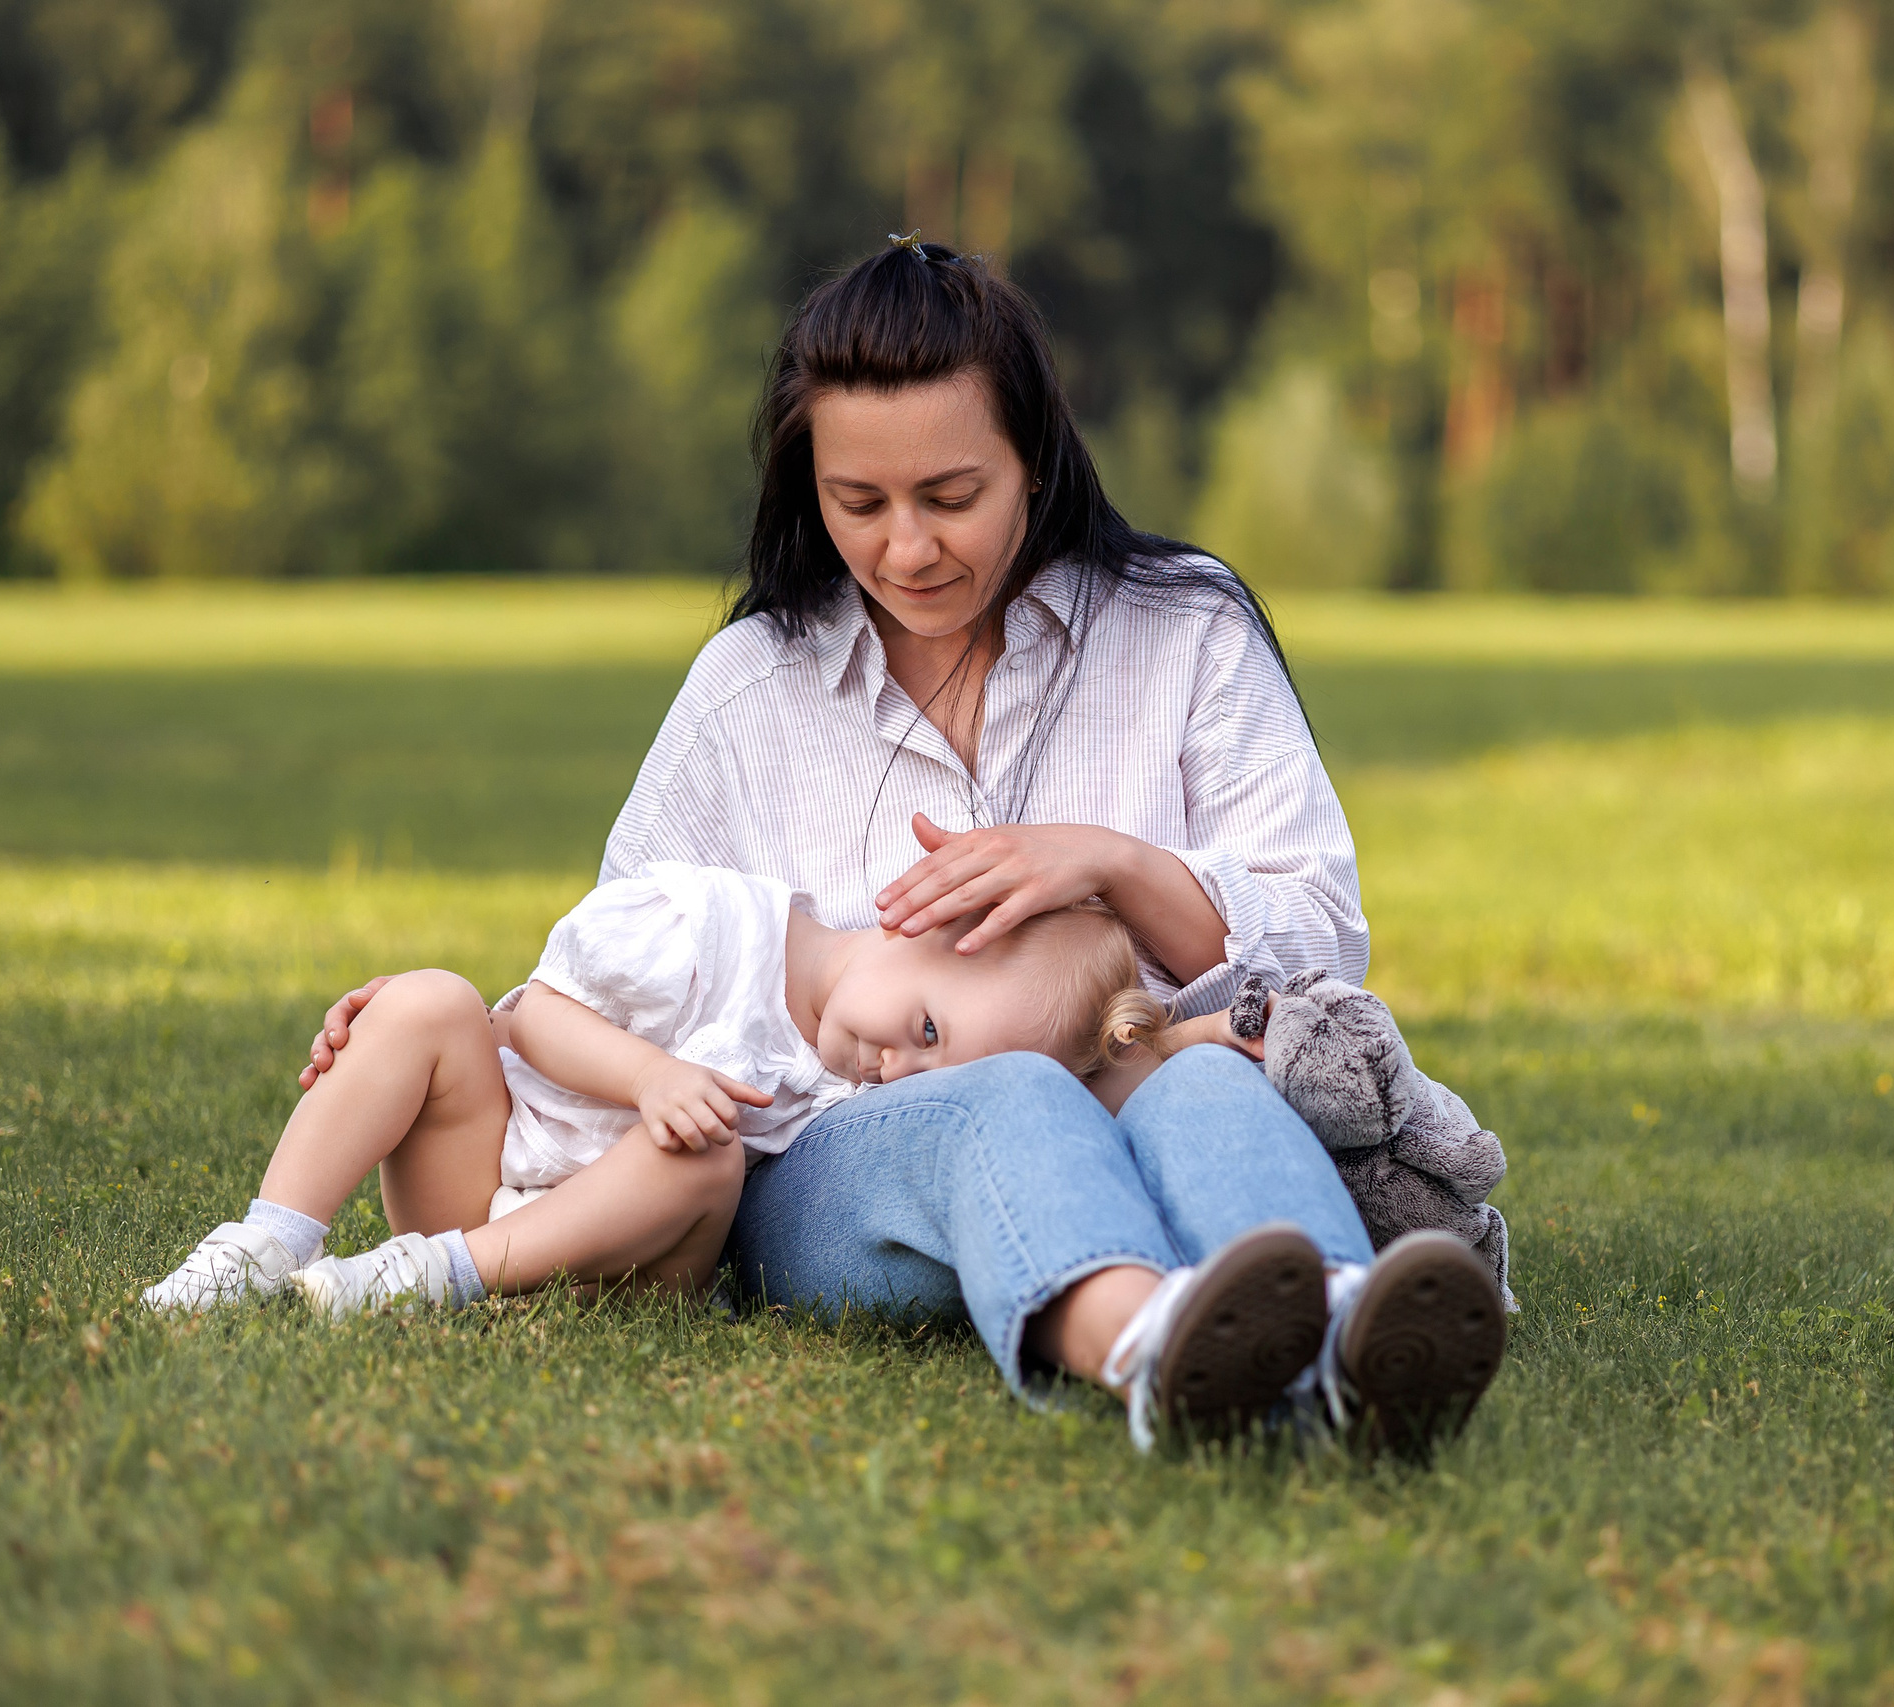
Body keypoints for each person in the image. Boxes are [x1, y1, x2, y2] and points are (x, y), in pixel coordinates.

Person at [300, 236, 1505, 1452]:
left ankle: (1346, 1331)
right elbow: (627, 967)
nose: (907, 550)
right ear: (807, 485)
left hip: (1140, 1086)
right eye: (859, 504)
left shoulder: (1183, 630)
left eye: (951, 496)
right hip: (830, 1170)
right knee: (1009, 1094)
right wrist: (431, 1031)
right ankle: (1148, 1351)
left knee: (1204, 1082)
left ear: (1035, 460)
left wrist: (1116, 866)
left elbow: (1321, 952)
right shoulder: (751, 687)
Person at [143, 862, 1163, 1318]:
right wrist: (650, 1075)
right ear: (923, 919)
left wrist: (1182, 1030)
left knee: (705, 1152)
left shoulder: (852, 1087)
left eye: (939, 1071)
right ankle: (266, 1240)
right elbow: (537, 1016)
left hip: (623, 1264)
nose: (897, 1069)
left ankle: (434, 1278)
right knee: (431, 999)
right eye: (928, 1029)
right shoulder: (707, 923)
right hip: (482, 1173)